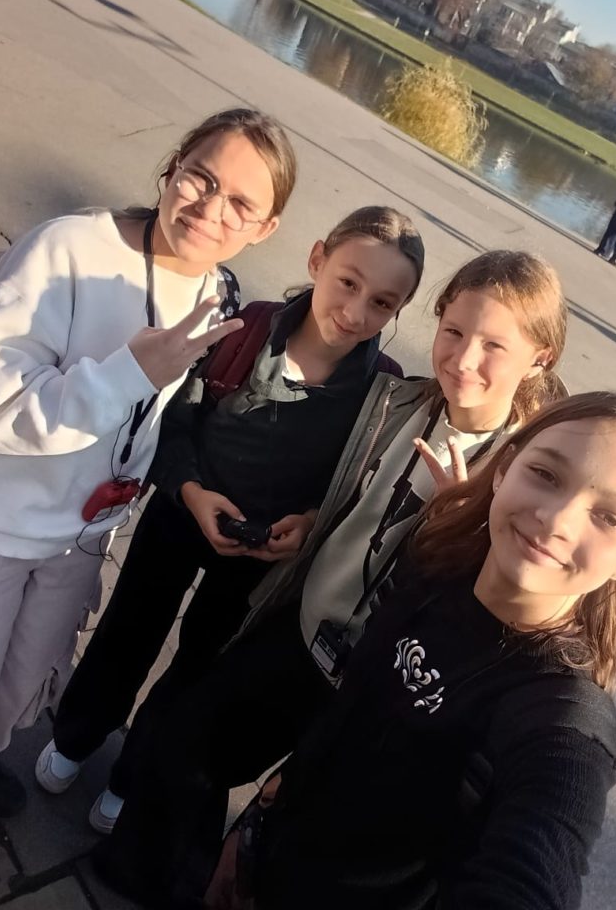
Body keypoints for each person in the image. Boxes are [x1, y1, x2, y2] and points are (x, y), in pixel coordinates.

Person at [91, 250, 571, 906]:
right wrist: (313, 521)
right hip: (305, 629)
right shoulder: (396, 401)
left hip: (377, 682)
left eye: (494, 345)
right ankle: (158, 880)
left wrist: (459, 531)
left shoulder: (520, 475)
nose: (463, 358)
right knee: (188, 745)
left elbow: (512, 607)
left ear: (540, 357)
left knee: (293, 825)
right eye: (454, 331)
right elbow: (350, 492)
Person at [0, 107, 296, 880]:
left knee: (17, 698)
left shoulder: (219, 292)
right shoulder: (67, 250)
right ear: (174, 166)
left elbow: (172, 417)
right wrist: (127, 373)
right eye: (201, 178)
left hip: (77, 539)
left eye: (241, 203)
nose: (210, 209)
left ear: (264, 228)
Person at [35, 207, 425, 833]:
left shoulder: (381, 392)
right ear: (318, 259)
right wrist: (190, 490)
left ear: (399, 309)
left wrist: (310, 521)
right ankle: (77, 734)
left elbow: (352, 483)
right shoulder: (247, 329)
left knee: (199, 663)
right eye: (347, 282)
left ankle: (134, 776)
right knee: (130, 628)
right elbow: (177, 416)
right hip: (181, 511)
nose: (355, 312)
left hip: (260, 553)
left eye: (382, 302)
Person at [227, 392, 616, 910]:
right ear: (504, 468)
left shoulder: (561, 715)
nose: (557, 519)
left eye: (609, 518)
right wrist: (261, 815)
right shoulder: (438, 564)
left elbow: (534, 864)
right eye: (546, 474)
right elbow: (351, 706)